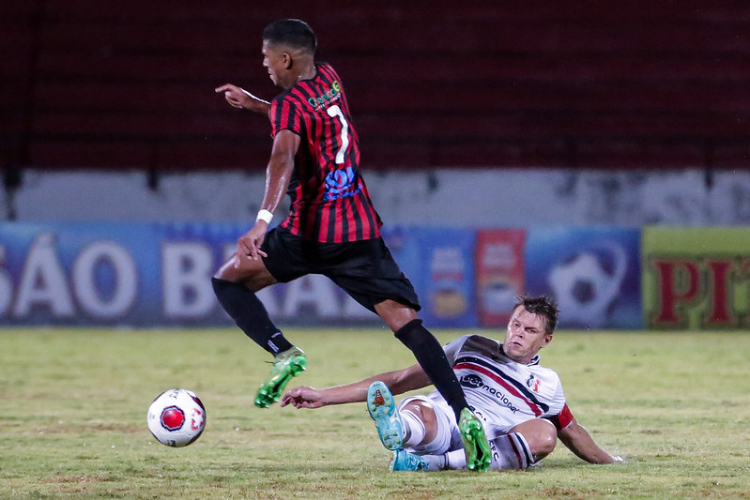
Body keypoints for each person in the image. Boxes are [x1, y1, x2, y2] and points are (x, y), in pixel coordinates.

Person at [211, 18, 492, 471]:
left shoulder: (288, 106)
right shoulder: (330, 79)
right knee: (409, 327)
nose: (263, 66)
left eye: (266, 60)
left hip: (307, 235)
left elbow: (282, 156)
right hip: (359, 233)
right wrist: (256, 105)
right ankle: (466, 413)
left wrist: (262, 221)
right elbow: (299, 116)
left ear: (285, 59)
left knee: (228, 282)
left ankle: (284, 351)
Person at [281, 295, 624, 471]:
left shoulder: (548, 384)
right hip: (448, 420)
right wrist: (323, 396)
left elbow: (572, 432)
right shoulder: (469, 345)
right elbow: (401, 379)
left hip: (487, 440)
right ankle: (398, 431)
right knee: (419, 408)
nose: (518, 333)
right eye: (515, 324)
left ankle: (431, 463)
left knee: (545, 435)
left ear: (546, 340)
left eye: (529, 330)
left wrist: (611, 462)